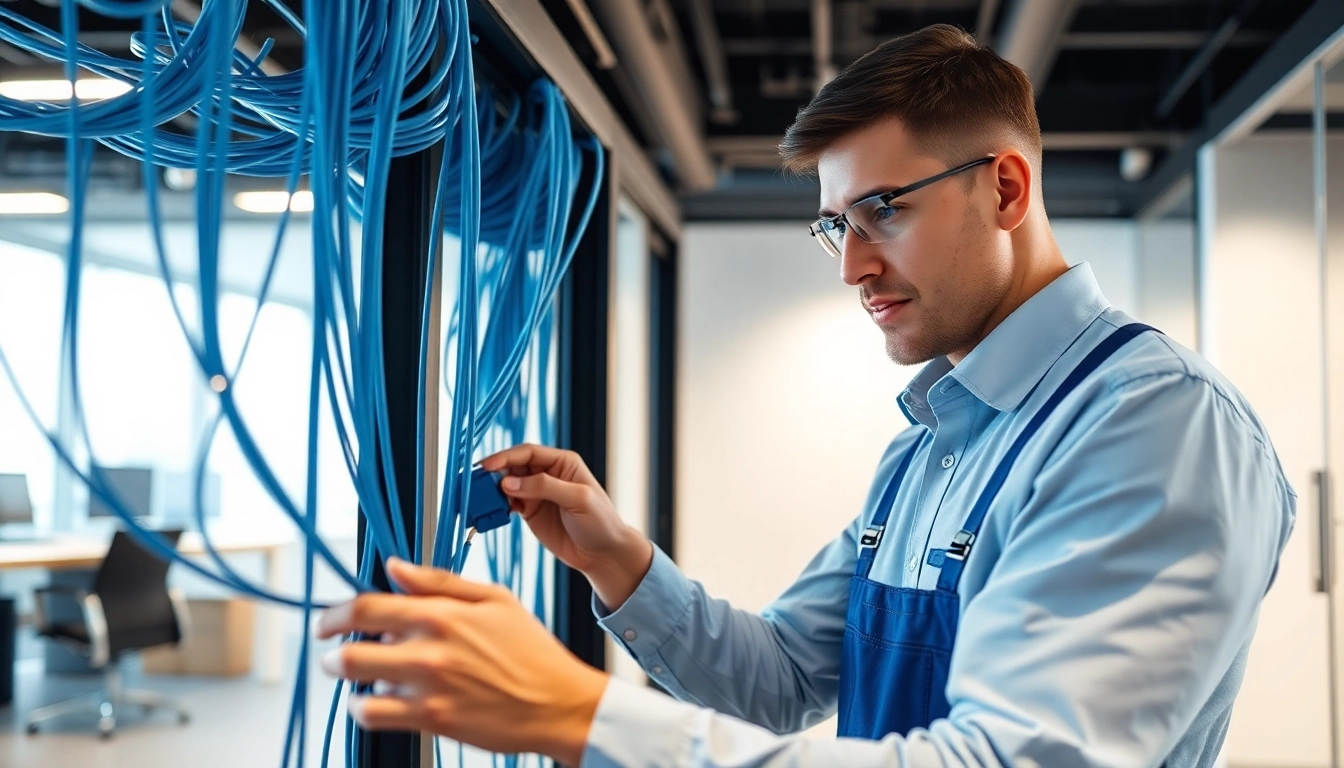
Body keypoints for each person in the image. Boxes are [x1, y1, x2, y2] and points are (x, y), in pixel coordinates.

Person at [316, 24, 1296, 767]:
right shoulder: (934, 441)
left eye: (883, 211)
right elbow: (783, 680)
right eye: (837, 227)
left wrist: (578, 710)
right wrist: (616, 559)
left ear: (1005, 190)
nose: (854, 267)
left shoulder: (1153, 428)